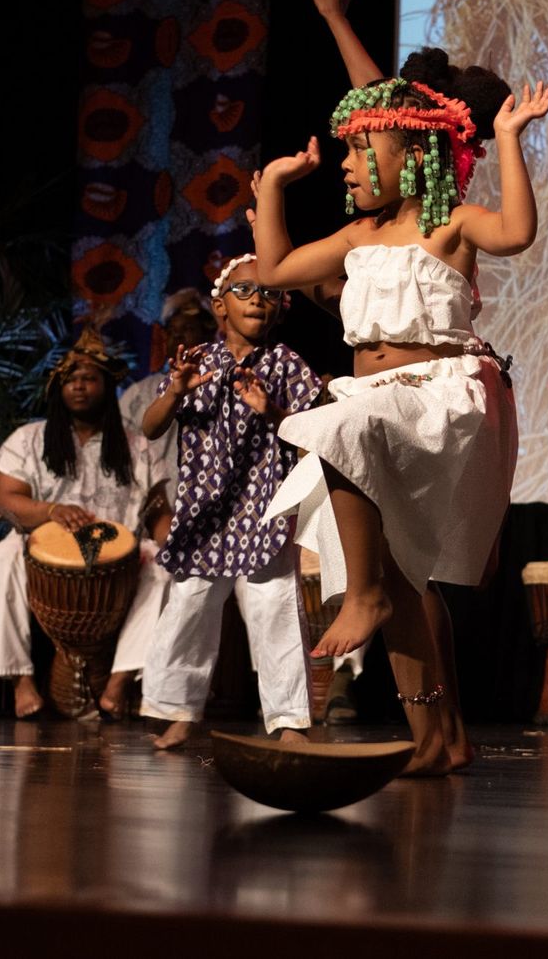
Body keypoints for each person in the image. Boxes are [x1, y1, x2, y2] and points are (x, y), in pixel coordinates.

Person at [252, 43, 548, 776]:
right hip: (375, 401)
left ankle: (363, 594)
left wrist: (508, 138)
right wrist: (273, 189)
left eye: (360, 149)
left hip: (440, 397)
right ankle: (438, 736)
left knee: (334, 427)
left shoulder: (451, 225)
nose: (347, 166)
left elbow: (516, 233)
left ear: (413, 151)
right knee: (407, 574)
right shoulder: (358, 236)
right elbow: (275, 271)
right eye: (345, 153)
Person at [139, 255, 323, 749]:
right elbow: (150, 426)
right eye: (245, 291)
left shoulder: (287, 364)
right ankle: (178, 710)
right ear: (219, 305)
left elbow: (313, 437)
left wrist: (273, 412)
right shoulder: (197, 360)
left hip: (262, 507)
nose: (258, 300)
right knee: (191, 605)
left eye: (268, 293)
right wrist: (176, 391)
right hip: (204, 510)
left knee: (275, 608)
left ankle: (288, 721)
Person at [0, 328, 162, 719]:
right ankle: (21, 681)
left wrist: (180, 546)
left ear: (108, 386)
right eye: (70, 379)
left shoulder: (138, 446)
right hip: (41, 554)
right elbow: (6, 500)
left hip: (121, 559)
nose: (78, 386)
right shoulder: (29, 439)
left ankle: (119, 683)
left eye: (89, 378)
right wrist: (50, 512)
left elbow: (158, 509)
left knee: (163, 567)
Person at [118, 288, 215, 529]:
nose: (178, 338)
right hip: (151, 504)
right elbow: (120, 447)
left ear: (207, 332)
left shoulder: (223, 383)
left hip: (208, 503)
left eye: (188, 329)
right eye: (172, 332)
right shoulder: (140, 393)